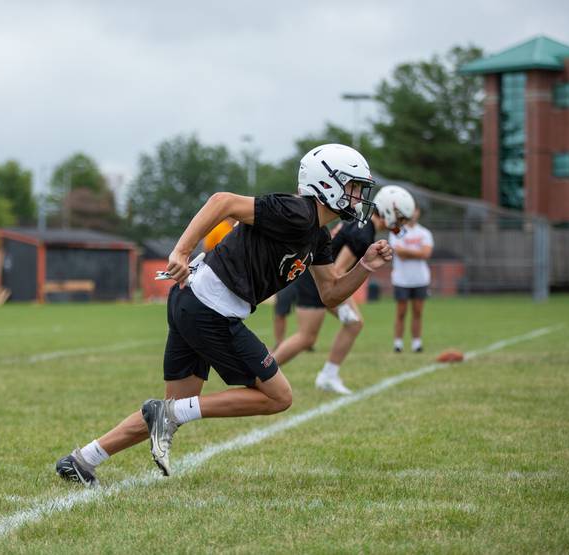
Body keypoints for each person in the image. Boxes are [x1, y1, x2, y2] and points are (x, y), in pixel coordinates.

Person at [55, 143, 394, 485]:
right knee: (278, 397)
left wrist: (365, 266)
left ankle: (83, 460)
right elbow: (222, 201)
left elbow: (330, 292)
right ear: (327, 184)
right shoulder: (297, 211)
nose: (357, 197)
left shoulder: (317, 235)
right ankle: (163, 415)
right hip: (210, 308)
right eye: (352, 187)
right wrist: (181, 251)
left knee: (178, 405)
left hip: (195, 302)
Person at [271, 185, 416, 394]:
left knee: (349, 325)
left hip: (318, 276)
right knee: (306, 337)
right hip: (317, 280)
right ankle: (264, 374)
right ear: (389, 210)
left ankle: (328, 375)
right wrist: (341, 304)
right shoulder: (363, 234)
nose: (401, 223)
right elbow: (338, 271)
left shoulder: (363, 226)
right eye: (400, 217)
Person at [389, 206, 434, 353]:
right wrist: (417, 251)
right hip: (401, 279)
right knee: (401, 312)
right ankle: (398, 343)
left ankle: (416, 343)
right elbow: (399, 252)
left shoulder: (425, 232)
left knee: (417, 312)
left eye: (416, 210)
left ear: (418, 212)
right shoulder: (397, 231)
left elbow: (426, 253)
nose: (413, 213)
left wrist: (409, 252)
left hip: (420, 279)